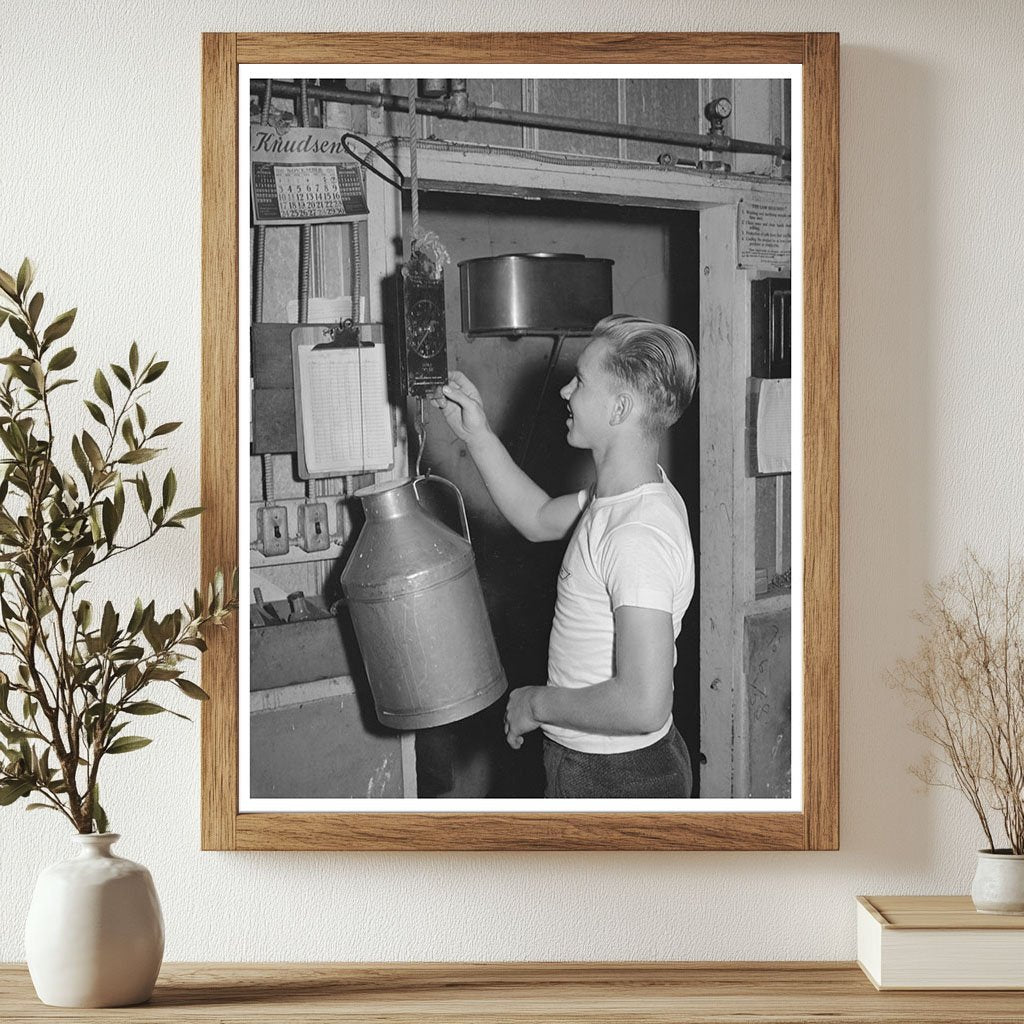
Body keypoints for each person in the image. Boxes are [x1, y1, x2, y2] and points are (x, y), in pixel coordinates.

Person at [433, 314, 698, 798]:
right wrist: (477, 434)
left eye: (581, 381)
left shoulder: (635, 534)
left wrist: (535, 704)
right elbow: (536, 516)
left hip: (614, 776)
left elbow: (644, 705)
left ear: (619, 409)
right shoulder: (619, 498)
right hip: (601, 763)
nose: (565, 393)